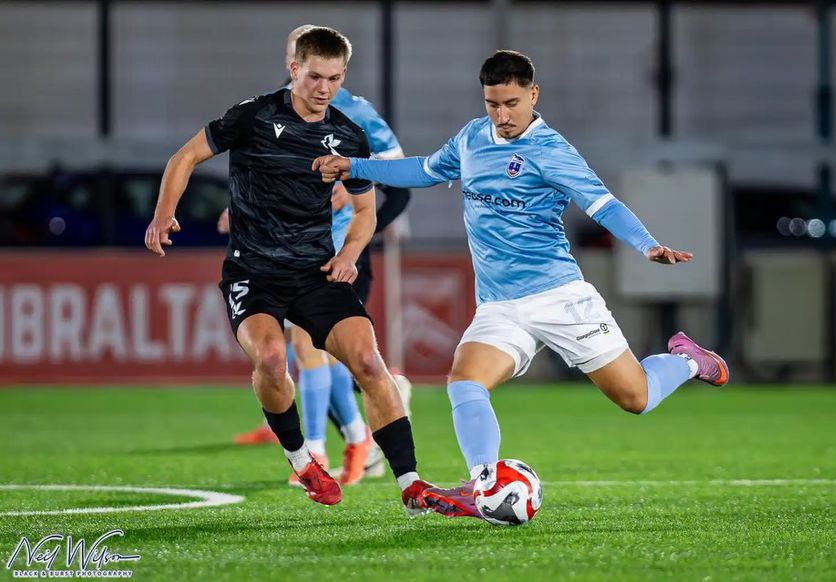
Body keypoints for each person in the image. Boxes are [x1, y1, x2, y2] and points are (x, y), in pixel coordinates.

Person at [313, 50, 730, 518]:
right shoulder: (473, 138)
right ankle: (483, 483)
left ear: (533, 94)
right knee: (465, 381)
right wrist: (355, 166)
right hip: (499, 306)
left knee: (636, 398)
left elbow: (604, 205)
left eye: (511, 102)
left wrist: (647, 244)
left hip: (559, 297)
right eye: (493, 103)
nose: (502, 114)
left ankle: (689, 362)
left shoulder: (552, 150)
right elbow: (425, 170)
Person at [145, 26, 432, 515]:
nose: (324, 89)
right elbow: (185, 156)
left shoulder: (348, 135)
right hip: (252, 273)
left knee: (368, 363)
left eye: (335, 79)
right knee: (274, 361)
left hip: (315, 271)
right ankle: (303, 459)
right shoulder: (252, 116)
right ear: (294, 68)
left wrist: (347, 256)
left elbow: (365, 215)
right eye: (315, 76)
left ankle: (412, 484)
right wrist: (162, 213)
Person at [228, 25, 413, 487]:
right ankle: (346, 440)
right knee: (308, 358)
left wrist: (356, 235)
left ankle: (328, 448)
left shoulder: (355, 116)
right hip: (286, 257)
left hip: (335, 257)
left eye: (327, 74)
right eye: (301, 64)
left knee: (317, 357)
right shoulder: (275, 113)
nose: (317, 83)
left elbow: (395, 182)